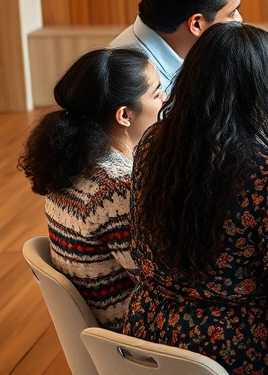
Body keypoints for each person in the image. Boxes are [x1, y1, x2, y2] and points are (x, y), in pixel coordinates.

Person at [125, 22, 268, 375]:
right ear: (255, 89)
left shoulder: (153, 143)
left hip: (149, 339)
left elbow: (138, 248)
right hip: (235, 352)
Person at [18, 48, 163, 331]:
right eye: (157, 94)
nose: (166, 100)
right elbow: (163, 283)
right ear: (124, 115)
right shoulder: (117, 190)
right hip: (137, 336)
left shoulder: (73, 166)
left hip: (106, 332)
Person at [110, 0, 250, 94]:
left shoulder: (193, 51)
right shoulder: (128, 86)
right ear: (196, 24)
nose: (240, 20)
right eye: (233, 12)